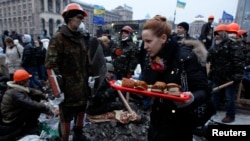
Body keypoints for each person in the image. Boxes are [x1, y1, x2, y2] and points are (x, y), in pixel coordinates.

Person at [141, 15, 210, 141]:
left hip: (179, 128)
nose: (145, 46)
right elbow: (148, 84)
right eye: (143, 41)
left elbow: (204, 90)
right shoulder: (153, 58)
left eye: (149, 41)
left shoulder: (185, 58)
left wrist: (191, 98)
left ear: (163, 38)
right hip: (156, 124)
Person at [45, 3, 91, 141]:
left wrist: (90, 78)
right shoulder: (58, 38)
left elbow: (85, 61)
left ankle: (78, 134)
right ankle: (64, 139)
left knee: (82, 111)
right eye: (79, 16)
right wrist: (58, 91)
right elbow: (51, 66)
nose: (81, 19)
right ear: (70, 18)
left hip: (82, 86)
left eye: (82, 17)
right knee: (66, 117)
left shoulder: (80, 38)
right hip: (68, 89)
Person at [207, 23, 245, 123]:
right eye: (215, 34)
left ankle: (230, 115)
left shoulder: (233, 45)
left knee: (229, 98)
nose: (216, 36)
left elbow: (239, 61)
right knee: (214, 96)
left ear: (223, 34)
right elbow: (210, 58)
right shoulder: (216, 46)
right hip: (217, 76)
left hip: (230, 78)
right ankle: (211, 112)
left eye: (218, 34)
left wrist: (237, 76)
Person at [0, 69, 53, 139]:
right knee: (35, 108)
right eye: (27, 79)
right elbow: (30, 104)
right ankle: (29, 128)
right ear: (22, 82)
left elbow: (31, 91)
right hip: (11, 118)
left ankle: (30, 124)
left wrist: (44, 96)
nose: (29, 81)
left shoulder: (17, 87)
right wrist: (46, 108)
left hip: (14, 112)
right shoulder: (16, 93)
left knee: (36, 98)